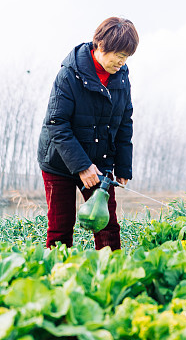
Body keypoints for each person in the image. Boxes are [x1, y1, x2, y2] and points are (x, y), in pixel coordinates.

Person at [37, 17, 139, 250]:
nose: (122, 61)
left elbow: (124, 122)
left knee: (107, 226)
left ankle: (110, 277)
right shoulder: (69, 75)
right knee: (60, 229)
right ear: (100, 45)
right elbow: (56, 123)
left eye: (127, 56)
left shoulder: (121, 78)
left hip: (99, 160)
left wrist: (123, 167)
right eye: (118, 54)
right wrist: (82, 166)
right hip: (59, 161)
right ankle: (55, 279)